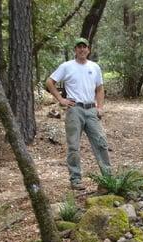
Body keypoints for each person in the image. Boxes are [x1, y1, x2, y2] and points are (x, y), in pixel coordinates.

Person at [46, 37, 111, 190]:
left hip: (91, 109)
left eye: (85, 47)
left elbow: (100, 88)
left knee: (101, 143)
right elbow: (49, 82)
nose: (82, 50)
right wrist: (61, 99)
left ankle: (108, 178)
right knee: (73, 146)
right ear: (75, 50)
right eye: (79, 47)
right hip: (74, 110)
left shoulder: (95, 67)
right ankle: (75, 179)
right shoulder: (67, 66)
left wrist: (100, 107)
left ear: (88, 49)